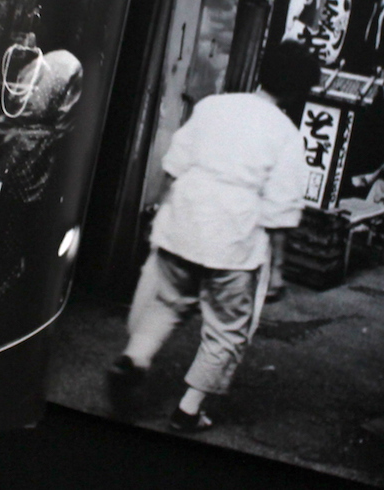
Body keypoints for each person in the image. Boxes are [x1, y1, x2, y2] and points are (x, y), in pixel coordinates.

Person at [107, 41, 321, 432]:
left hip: (183, 221)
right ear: (297, 91)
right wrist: (277, 270)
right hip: (233, 239)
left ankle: (133, 359)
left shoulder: (213, 107)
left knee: (167, 302)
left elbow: (174, 165)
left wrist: (160, 211)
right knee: (227, 328)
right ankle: (189, 409)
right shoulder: (287, 135)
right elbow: (280, 210)